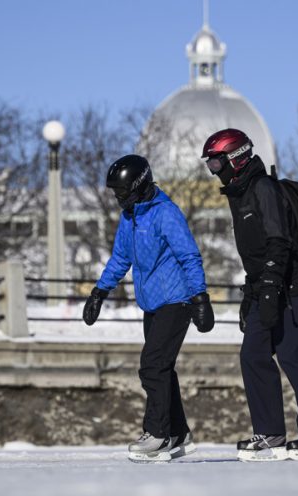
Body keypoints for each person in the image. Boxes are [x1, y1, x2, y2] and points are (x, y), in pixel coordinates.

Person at [201, 129, 298, 462]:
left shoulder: (263, 188)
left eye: (216, 163)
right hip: (264, 288)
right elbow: (255, 253)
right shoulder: (240, 195)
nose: (214, 171)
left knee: (294, 360)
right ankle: (271, 433)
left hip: (291, 289)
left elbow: (279, 240)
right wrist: (251, 291)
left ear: (235, 157)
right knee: (253, 356)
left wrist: (273, 284)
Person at [82, 154, 214, 463]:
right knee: (162, 369)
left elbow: (189, 257)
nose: (118, 199)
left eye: (122, 193)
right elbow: (120, 258)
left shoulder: (165, 214)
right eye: (115, 194)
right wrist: (99, 292)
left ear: (139, 186)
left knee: (152, 366)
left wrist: (200, 298)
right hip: (152, 304)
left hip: (176, 300)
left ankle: (158, 435)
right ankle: (179, 434)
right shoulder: (131, 216)